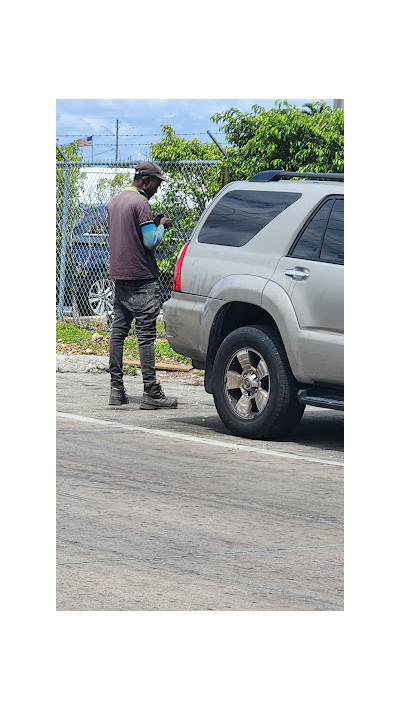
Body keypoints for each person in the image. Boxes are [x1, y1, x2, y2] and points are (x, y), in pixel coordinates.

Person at [107, 161, 178, 409]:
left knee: (118, 333)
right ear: (146, 181)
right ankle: (151, 392)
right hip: (142, 279)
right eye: (157, 183)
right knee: (145, 336)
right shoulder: (141, 203)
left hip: (120, 277)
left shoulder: (115, 201)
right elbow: (150, 242)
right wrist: (162, 225)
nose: (158, 188)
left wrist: (151, 222)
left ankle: (116, 390)